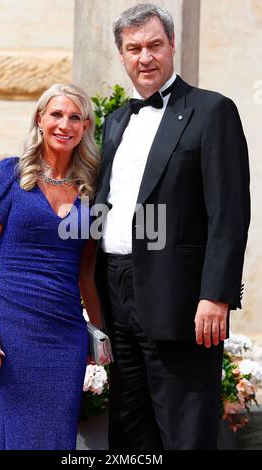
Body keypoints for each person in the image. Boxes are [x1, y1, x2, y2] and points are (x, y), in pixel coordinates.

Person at [94, 3, 250, 450]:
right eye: (134, 48)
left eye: (154, 45)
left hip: (181, 301)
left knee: (185, 430)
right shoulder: (117, 120)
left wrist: (216, 295)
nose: (145, 57)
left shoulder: (211, 111)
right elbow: (109, 205)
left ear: (172, 46)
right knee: (129, 427)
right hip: (115, 292)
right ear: (122, 55)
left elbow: (229, 212)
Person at [0, 83, 102, 450]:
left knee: (58, 438)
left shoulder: (89, 192)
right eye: (57, 114)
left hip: (65, 337)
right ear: (40, 120)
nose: (65, 124)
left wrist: (100, 331)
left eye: (75, 117)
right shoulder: (10, 175)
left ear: (85, 127)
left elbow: (86, 272)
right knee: (15, 434)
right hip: (11, 331)